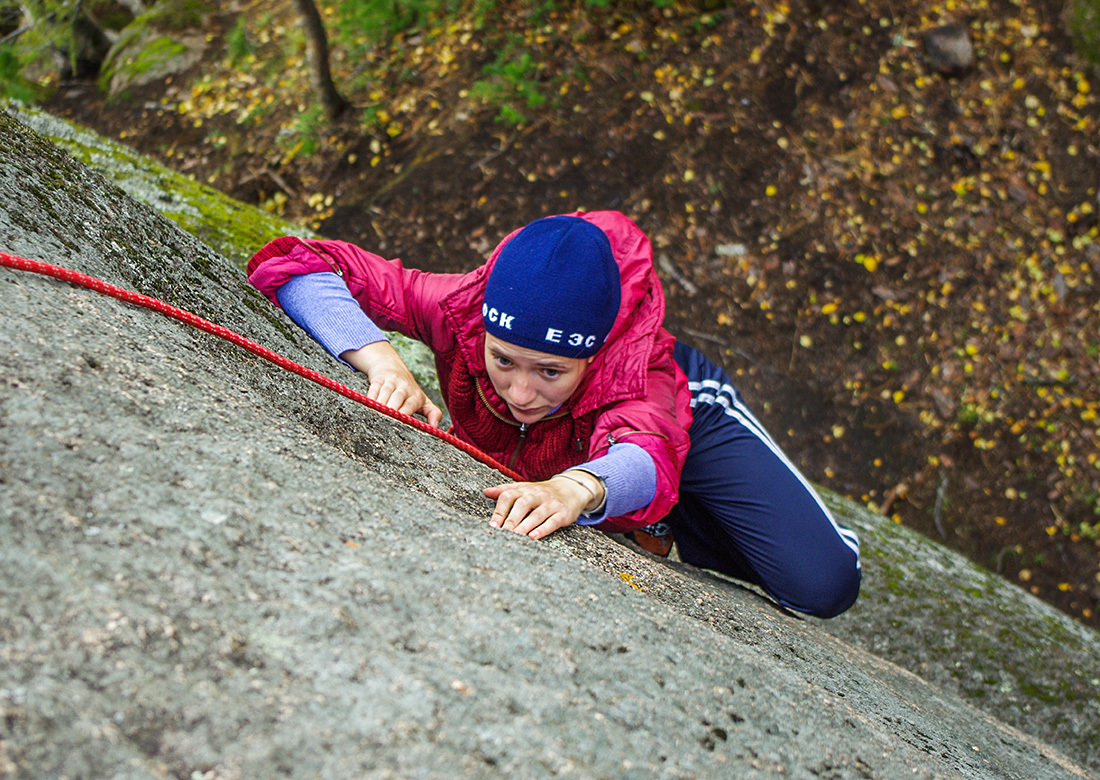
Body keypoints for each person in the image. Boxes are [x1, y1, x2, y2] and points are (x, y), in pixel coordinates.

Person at [248, 211, 861, 618]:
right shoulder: (464, 308)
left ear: (589, 361)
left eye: (550, 372)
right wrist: (383, 362)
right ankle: (658, 519)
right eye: (503, 361)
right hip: (603, 443)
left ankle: (684, 511)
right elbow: (296, 263)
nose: (519, 392)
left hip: (683, 420)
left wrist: (579, 487)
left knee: (822, 584)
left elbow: (647, 448)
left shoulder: (632, 373)